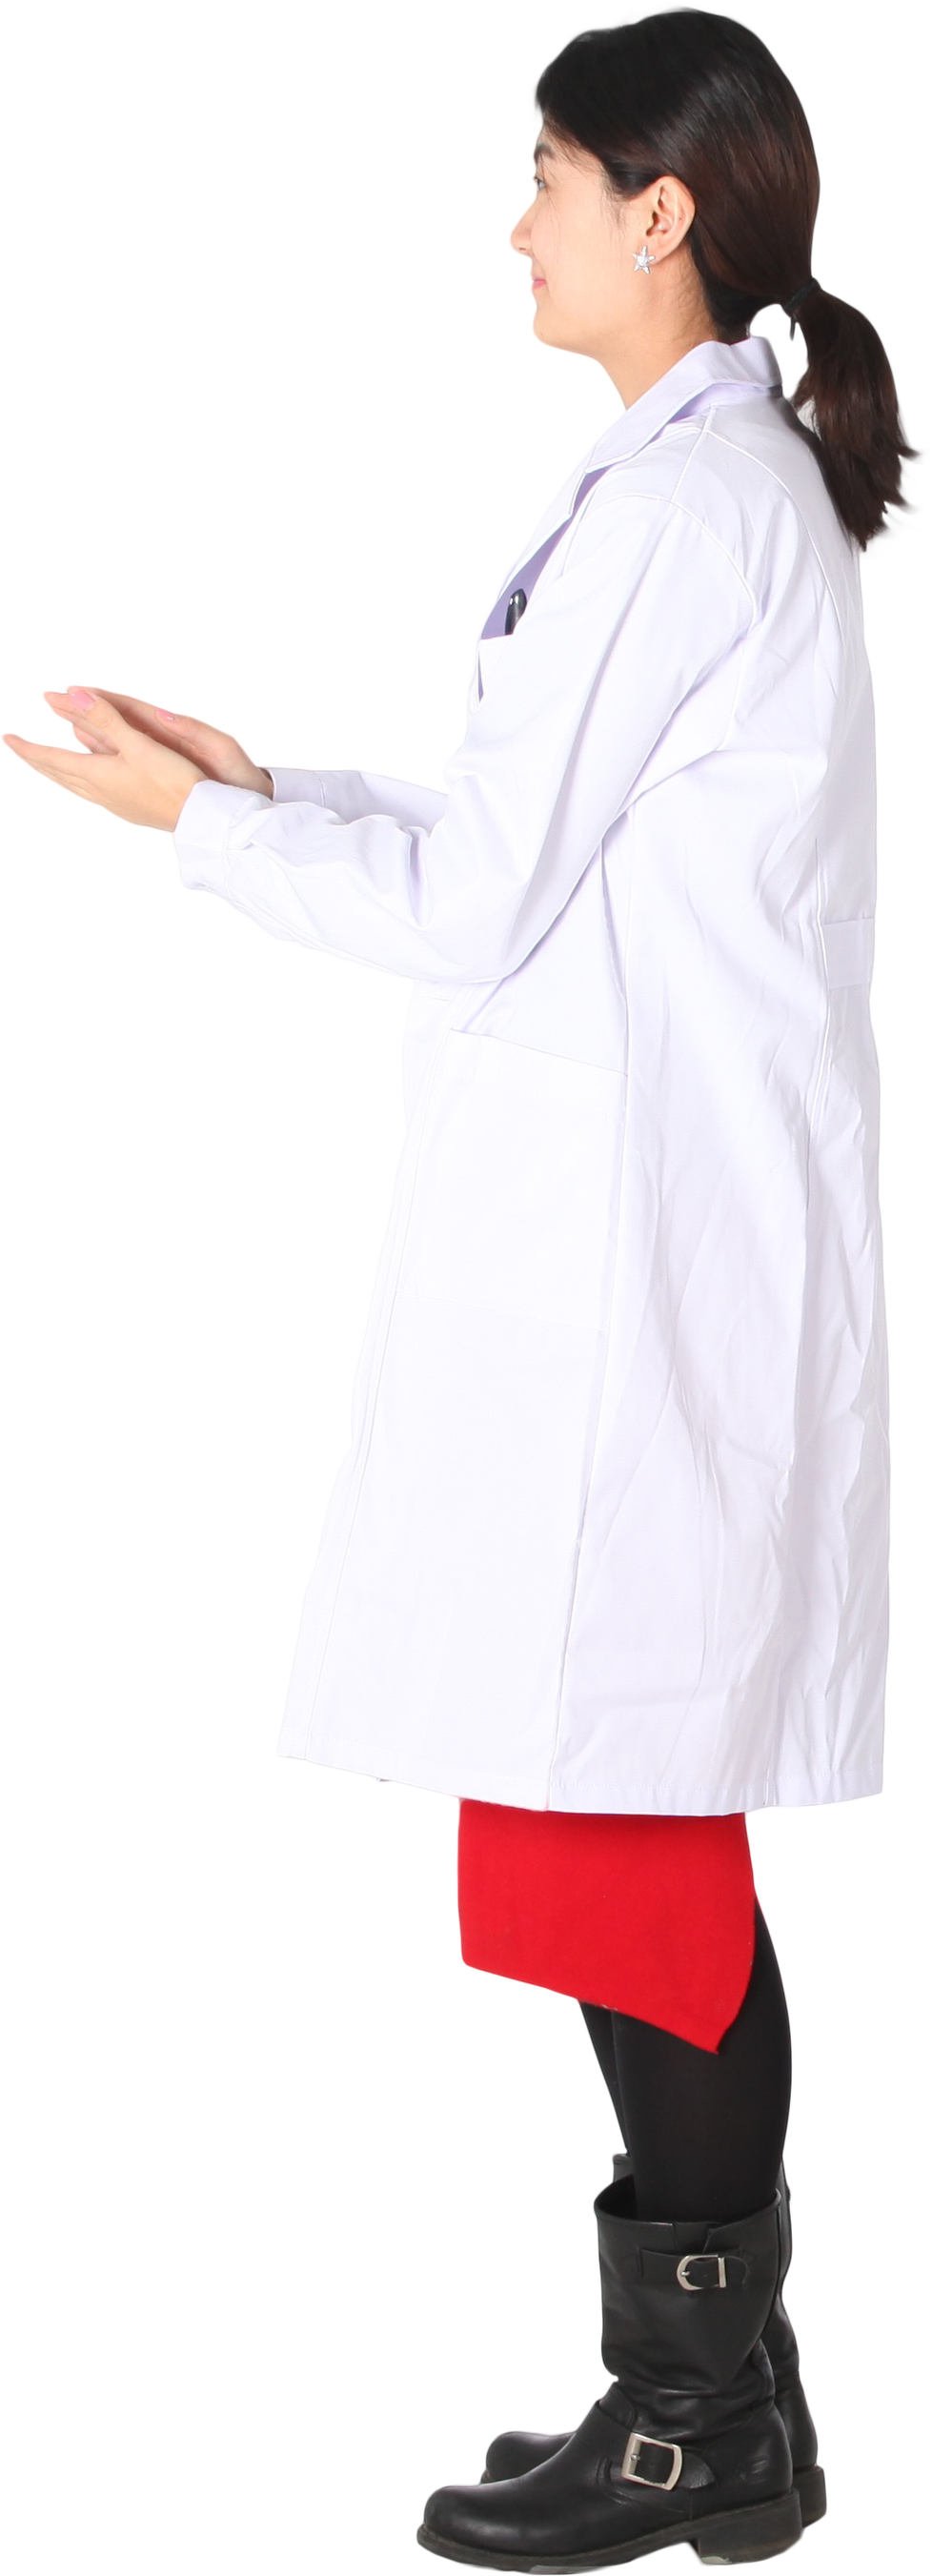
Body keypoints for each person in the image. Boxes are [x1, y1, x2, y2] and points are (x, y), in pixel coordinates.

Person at [2, 7, 922, 2566]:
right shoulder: (680, 481)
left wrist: (199, 838)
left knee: (626, 1832)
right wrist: (264, 786)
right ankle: (719, 2409)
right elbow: (533, 844)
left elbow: (486, 904)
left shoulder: (686, 505)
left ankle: (702, 2419)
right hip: (623, 1254)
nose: (513, 225)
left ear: (662, 206)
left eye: (539, 179)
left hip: (644, 1278)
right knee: (601, 1814)